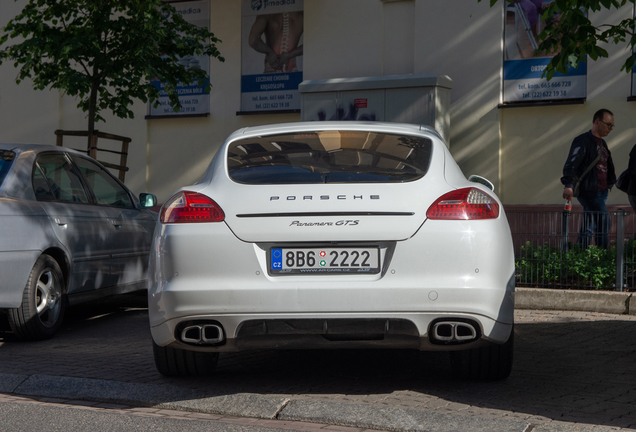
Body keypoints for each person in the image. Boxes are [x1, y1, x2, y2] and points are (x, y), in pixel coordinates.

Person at [561, 108, 617, 248]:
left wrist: (609, 183)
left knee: (589, 225)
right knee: (604, 222)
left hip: (601, 191)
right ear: (597, 122)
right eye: (608, 124)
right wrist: (569, 185)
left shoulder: (603, 144)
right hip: (589, 190)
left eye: (612, 126)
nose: (610, 129)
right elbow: (572, 163)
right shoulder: (583, 140)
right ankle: (602, 257)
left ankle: (581, 254)